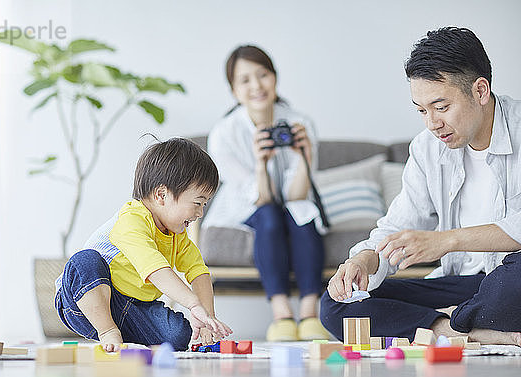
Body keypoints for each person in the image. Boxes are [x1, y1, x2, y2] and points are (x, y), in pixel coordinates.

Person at [320, 27, 521, 345]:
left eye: (441, 107)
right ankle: (457, 329)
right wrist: (364, 260)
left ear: (480, 91)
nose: (432, 123)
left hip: (509, 277)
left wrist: (447, 241)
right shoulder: (427, 148)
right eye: (421, 110)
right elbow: (398, 226)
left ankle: (447, 322)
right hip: (463, 285)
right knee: (337, 303)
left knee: (513, 284)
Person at [55, 138, 232, 352]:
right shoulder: (131, 220)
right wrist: (193, 304)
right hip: (82, 303)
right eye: (197, 203)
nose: (200, 213)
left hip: (132, 308)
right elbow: (156, 269)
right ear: (161, 195)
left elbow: (199, 273)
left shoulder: (178, 234)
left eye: (204, 205)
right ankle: (107, 330)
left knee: (179, 336)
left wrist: (206, 317)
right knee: (85, 261)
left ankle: (121, 333)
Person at [202, 45, 330, 341]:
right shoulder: (224, 134)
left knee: (302, 213)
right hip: (247, 208)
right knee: (270, 213)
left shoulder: (300, 123)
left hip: (290, 203)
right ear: (234, 90)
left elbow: (297, 196)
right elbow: (259, 198)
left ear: (274, 78)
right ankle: (282, 313)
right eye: (245, 80)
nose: (257, 86)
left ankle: (310, 312)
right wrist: (261, 165)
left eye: (263, 75)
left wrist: (304, 158)